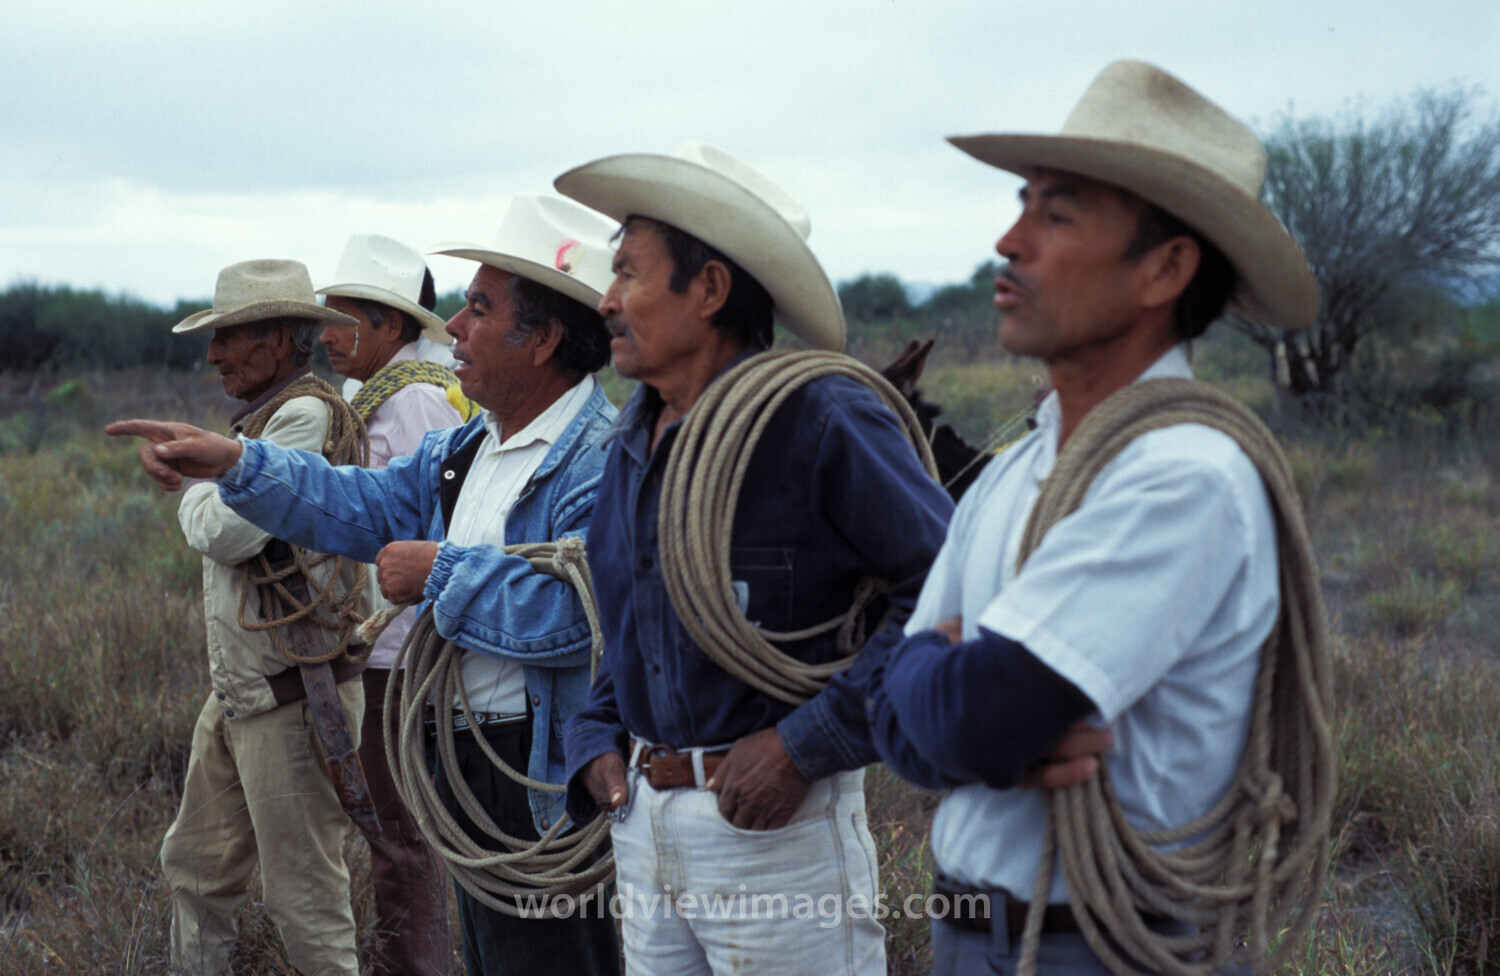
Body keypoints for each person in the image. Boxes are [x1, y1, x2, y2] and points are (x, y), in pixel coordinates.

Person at [863, 60, 1324, 975]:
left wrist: (948, 693)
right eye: (1022, 207)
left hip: (1106, 948)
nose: (1009, 241)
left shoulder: (1184, 475)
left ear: (1166, 268)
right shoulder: (1015, 470)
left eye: (1057, 216)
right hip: (972, 936)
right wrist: (943, 693)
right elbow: (891, 715)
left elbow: (978, 717)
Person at [108, 195, 623, 976]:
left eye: (481, 308)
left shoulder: (596, 460)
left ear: (544, 338)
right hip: (472, 753)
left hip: (534, 765)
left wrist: (437, 571)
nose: (454, 325)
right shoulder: (470, 446)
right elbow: (364, 502)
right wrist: (238, 463)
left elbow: (580, 615)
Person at [557, 143, 954, 976]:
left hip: (777, 832)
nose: (606, 301)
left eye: (627, 273)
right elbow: (634, 623)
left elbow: (948, 587)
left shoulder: (818, 418)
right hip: (648, 822)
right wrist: (597, 731)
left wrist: (805, 744)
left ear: (708, 289)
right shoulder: (633, 440)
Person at [133, 259, 374, 975]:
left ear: (275, 340)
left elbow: (227, 532)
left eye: (228, 337)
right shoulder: (267, 422)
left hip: (293, 695)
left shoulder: (306, 417)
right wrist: (212, 476)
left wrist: (195, 489)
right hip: (251, 691)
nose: (213, 355)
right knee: (195, 866)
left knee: (305, 901)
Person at [316, 232, 465, 975]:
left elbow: (440, 532)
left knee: (400, 834)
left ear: (391, 324)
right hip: (381, 647)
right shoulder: (376, 397)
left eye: (343, 319)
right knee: (393, 828)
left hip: (402, 653)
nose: (326, 335)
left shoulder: (414, 403)